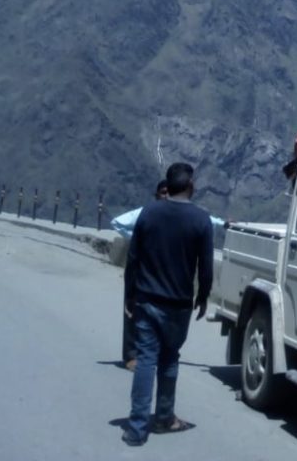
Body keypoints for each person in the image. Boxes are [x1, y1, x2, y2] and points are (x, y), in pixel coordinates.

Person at [121, 162, 214, 446]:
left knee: (146, 359)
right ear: (190, 185)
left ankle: (136, 429)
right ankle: (164, 418)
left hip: (147, 299)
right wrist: (203, 297)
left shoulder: (149, 213)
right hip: (179, 304)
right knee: (170, 357)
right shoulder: (201, 220)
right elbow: (206, 268)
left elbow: (133, 259)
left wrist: (129, 295)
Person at [113, 180, 168, 370]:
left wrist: (222, 223)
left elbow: (202, 220)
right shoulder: (145, 214)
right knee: (132, 312)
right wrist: (136, 237)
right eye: (163, 192)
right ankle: (131, 356)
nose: (166, 196)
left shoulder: (177, 217)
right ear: (156, 195)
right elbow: (117, 222)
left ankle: (151, 353)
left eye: (170, 192)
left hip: (163, 272)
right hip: (141, 268)